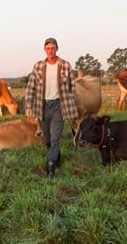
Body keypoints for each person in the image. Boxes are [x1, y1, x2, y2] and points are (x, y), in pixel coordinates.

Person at [25, 38, 79, 179]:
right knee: (47, 139)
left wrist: (70, 102)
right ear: (44, 49)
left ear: (57, 49)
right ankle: (56, 157)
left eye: (53, 48)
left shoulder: (65, 65)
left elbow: (72, 86)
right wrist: (28, 106)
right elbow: (31, 87)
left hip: (59, 106)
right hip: (42, 106)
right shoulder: (38, 66)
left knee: (55, 138)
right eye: (48, 48)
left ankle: (50, 168)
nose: (50, 50)